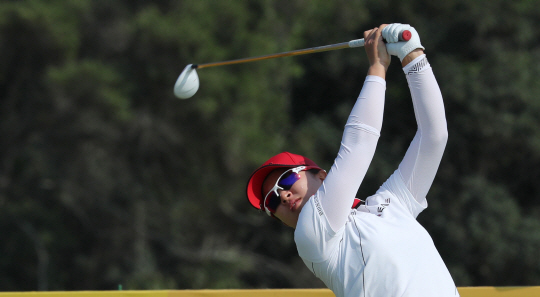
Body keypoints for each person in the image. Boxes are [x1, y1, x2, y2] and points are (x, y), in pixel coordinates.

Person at [245, 23, 459, 297]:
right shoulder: (312, 237)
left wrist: (412, 54)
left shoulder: (392, 205)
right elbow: (360, 145)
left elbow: (434, 137)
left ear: (320, 174)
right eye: (271, 202)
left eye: (286, 180)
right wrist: (378, 67)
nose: (283, 196)